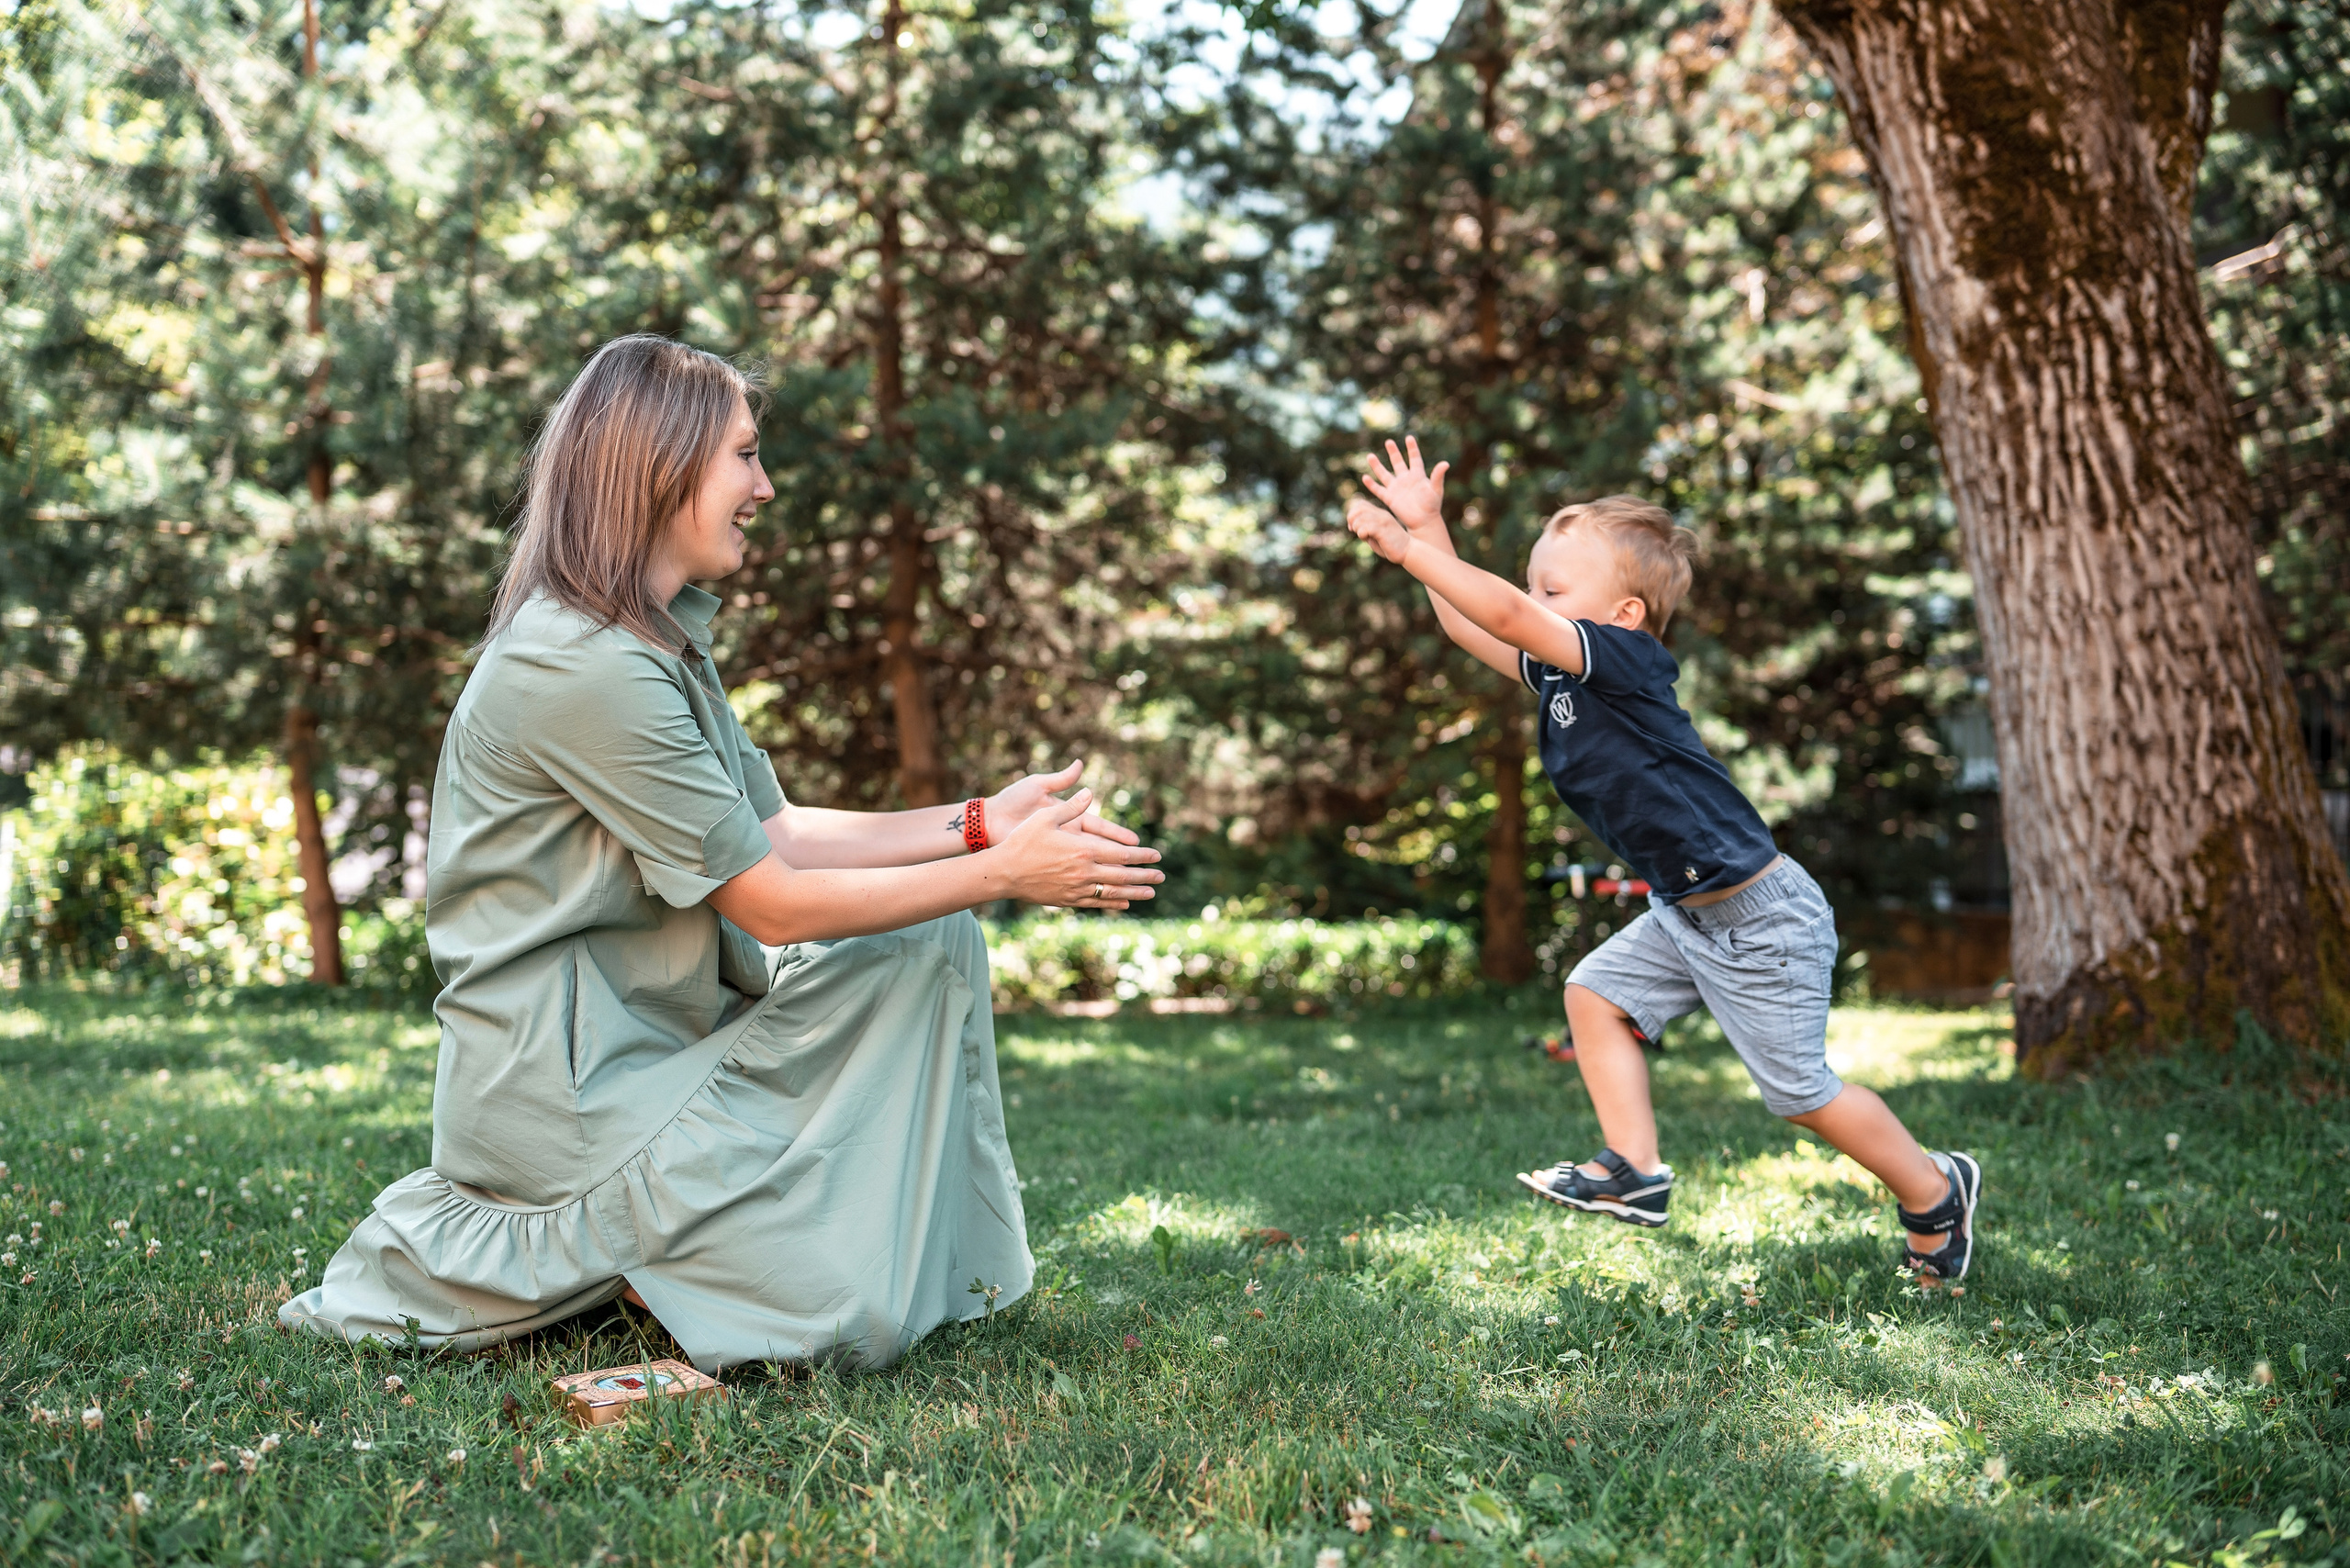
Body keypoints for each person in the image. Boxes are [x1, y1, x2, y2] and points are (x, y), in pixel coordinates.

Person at [280, 335, 1164, 1369]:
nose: (765, 485)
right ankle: (792, 1299)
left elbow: (776, 831)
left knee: (931, 939)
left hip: (646, 1049)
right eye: (744, 456)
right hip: (572, 1098)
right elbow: (774, 903)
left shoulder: (649, 645)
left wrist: (980, 823)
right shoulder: (582, 665)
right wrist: (1003, 875)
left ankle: (857, 1278)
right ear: (660, 464)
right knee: (933, 932)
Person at [1344, 438, 1982, 1283]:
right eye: (1535, 586)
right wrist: (1432, 535)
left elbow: (1501, 612)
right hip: (1686, 915)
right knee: (1593, 994)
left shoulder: (1626, 663)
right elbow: (1474, 624)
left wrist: (1411, 544)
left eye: (1554, 591)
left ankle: (1935, 1190)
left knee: (1798, 1096)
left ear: (1625, 615)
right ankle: (1634, 1173)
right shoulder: (1563, 677)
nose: (1536, 604)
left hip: (1762, 918)